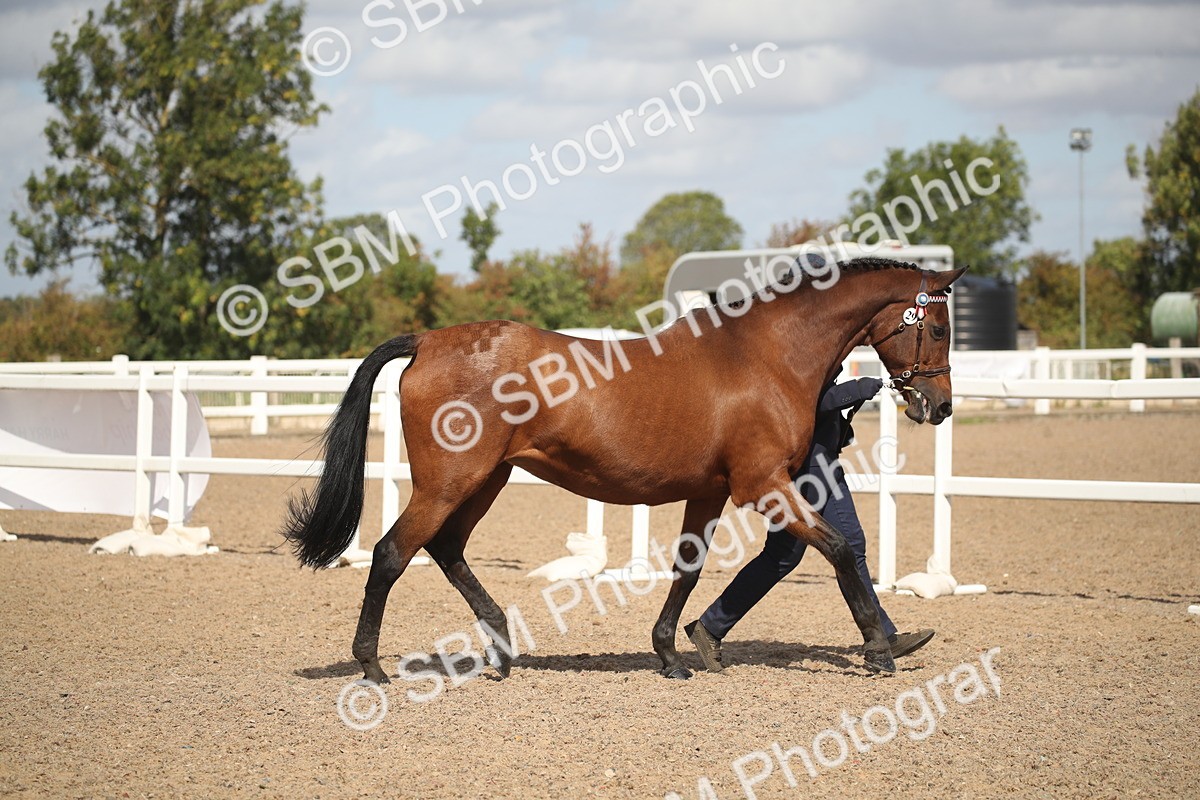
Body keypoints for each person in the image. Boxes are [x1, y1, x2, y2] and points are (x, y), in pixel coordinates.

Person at [684, 374, 934, 672]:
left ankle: (882, 637)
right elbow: (812, 398)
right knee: (786, 556)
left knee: (842, 546)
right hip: (807, 471)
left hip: (823, 464)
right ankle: (710, 627)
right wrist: (855, 390)